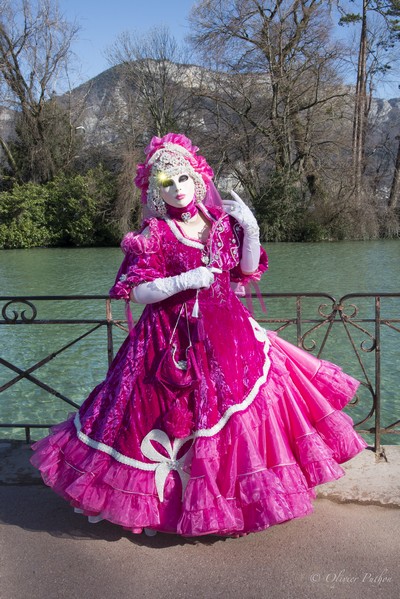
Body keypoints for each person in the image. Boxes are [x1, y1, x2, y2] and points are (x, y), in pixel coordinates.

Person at [31, 133, 367, 537]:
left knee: (242, 416)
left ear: (198, 177)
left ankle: (242, 499)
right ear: (156, 190)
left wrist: (251, 228)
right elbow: (137, 291)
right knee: (161, 418)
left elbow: (242, 272)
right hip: (169, 341)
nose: (177, 188)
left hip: (229, 334)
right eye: (166, 183)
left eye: (183, 178)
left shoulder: (216, 223)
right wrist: (185, 279)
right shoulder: (155, 233)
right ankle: (166, 506)